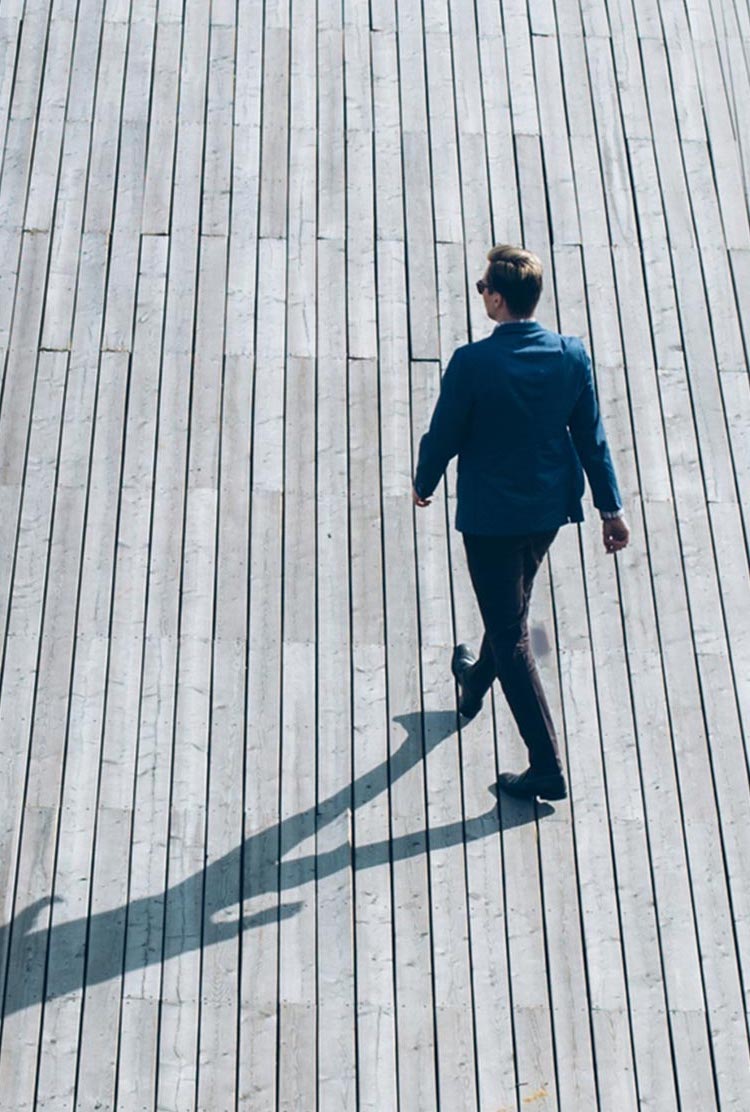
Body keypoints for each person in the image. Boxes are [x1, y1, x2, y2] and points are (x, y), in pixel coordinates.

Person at [412, 244, 630, 802]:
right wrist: (611, 509)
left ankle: (546, 765)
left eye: (482, 287)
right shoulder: (570, 356)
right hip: (545, 513)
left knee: (510, 634)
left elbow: (446, 433)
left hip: (490, 520)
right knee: (509, 609)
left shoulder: (472, 364)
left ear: (499, 299)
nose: (480, 293)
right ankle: (474, 678)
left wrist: (424, 480)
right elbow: (590, 435)